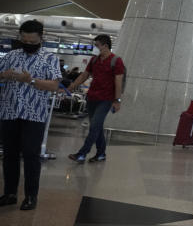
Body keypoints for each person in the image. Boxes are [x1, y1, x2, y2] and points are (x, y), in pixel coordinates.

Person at [0, 20, 62, 211]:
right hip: (9, 111)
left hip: (34, 114)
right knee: (9, 154)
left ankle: (30, 196)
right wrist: (4, 75)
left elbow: (54, 86)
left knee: (30, 154)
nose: (27, 43)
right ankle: (10, 193)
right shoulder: (11, 55)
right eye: (24, 39)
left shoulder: (49, 58)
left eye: (32, 41)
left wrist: (31, 80)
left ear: (40, 38)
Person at [67, 34, 125, 164]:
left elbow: (118, 81)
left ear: (105, 45)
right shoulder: (94, 60)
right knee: (97, 127)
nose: (96, 48)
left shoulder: (116, 61)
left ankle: (82, 154)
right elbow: (85, 75)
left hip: (106, 99)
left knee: (94, 126)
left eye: (97, 45)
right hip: (92, 97)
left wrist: (117, 100)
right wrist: (73, 86)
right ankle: (101, 154)